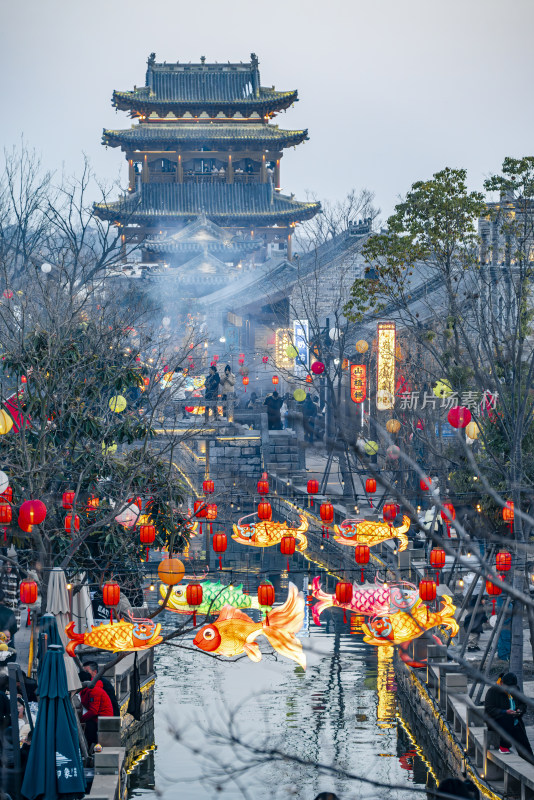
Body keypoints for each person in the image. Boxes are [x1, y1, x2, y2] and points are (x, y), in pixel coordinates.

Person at [484, 672, 534, 759]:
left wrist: (519, 710)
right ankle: (504, 746)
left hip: (515, 721)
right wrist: (505, 712)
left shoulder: (515, 689)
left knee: (526, 749)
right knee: (507, 719)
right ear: (502, 683)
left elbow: (522, 704)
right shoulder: (492, 691)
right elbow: (489, 710)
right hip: (498, 721)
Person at [77, 669, 113, 746]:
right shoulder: (87, 690)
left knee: (89, 729)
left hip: (103, 719)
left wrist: (80, 720)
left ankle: (92, 747)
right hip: (97, 717)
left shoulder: (93, 690)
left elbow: (93, 711)